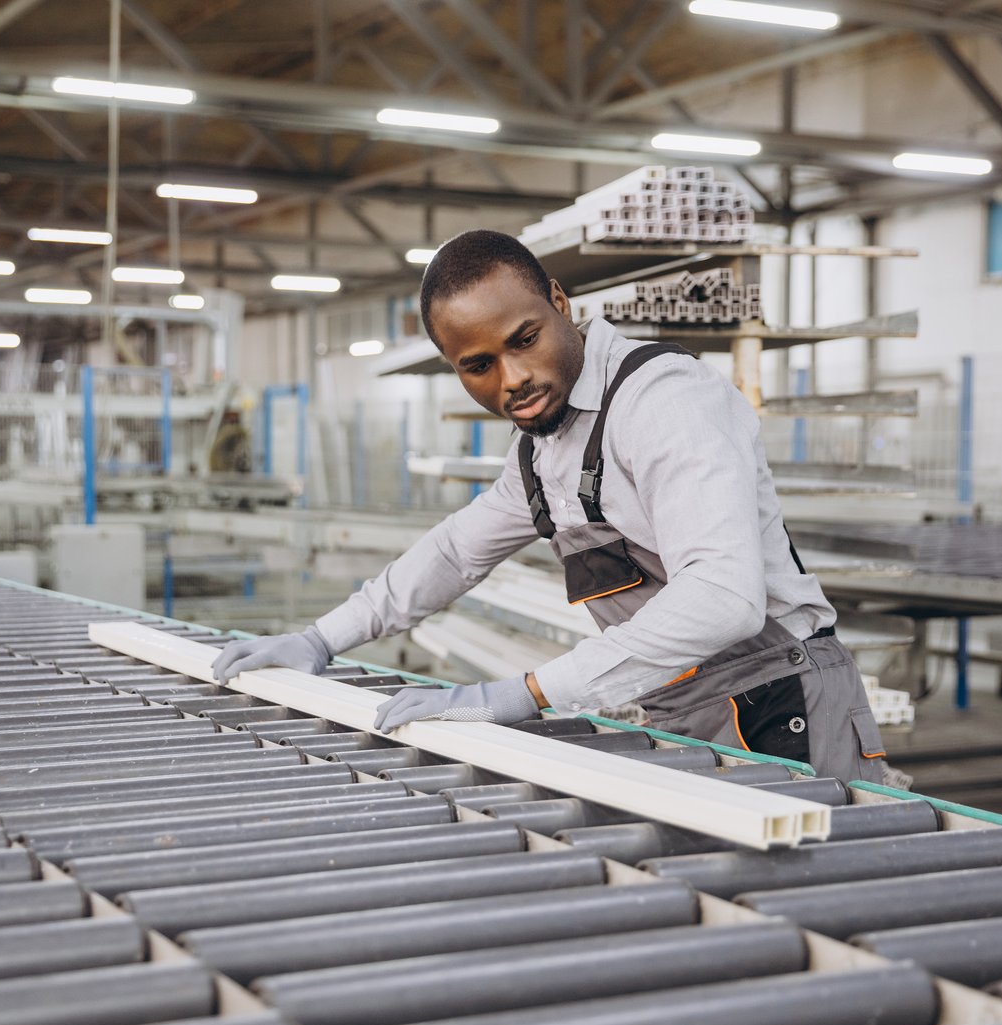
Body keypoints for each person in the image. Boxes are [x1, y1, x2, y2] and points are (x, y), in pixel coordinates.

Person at [212, 229, 887, 783]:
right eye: (477, 366)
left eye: (523, 339)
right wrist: (320, 640)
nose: (512, 381)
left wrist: (525, 693)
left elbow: (723, 596)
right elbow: (453, 552)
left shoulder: (664, 403)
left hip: (782, 702)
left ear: (560, 303)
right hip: (676, 702)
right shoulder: (543, 450)